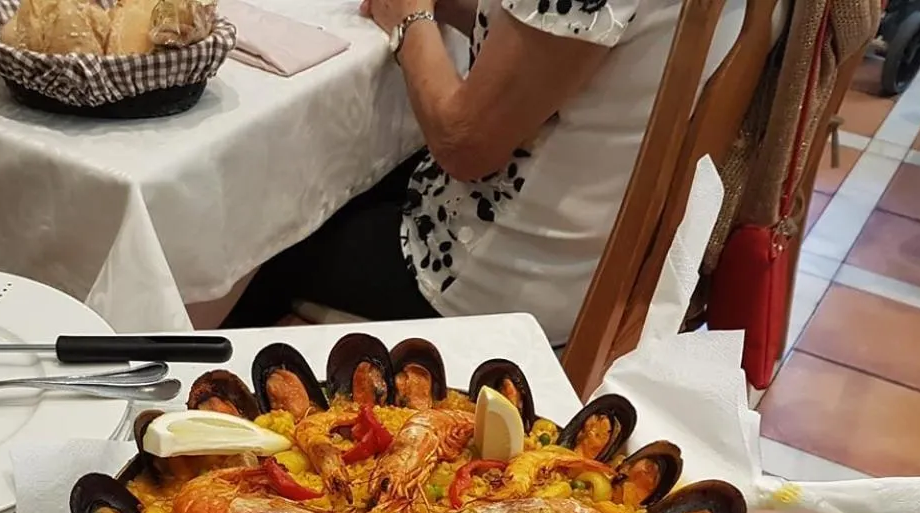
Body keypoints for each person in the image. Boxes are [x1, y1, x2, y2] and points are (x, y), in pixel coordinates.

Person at [225, 0, 756, 344]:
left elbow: (463, 142)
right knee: (340, 170)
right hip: (594, 257)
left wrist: (410, 20)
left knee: (257, 225)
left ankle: (221, 463)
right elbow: (557, 42)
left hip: (500, 282)